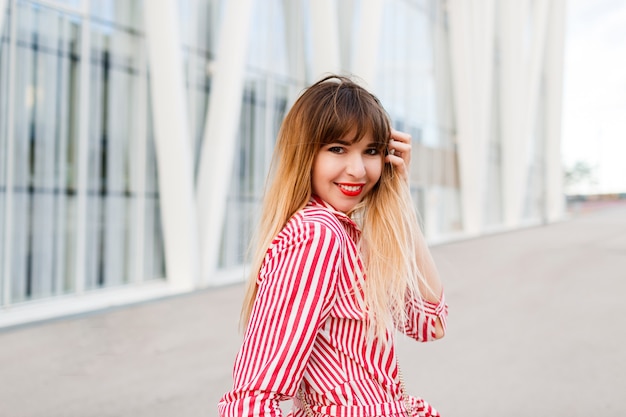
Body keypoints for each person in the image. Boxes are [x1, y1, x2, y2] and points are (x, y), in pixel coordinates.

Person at [218, 75, 448, 417]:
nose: (357, 170)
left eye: (371, 151)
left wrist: (399, 198)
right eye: (337, 148)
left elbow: (430, 323)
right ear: (305, 154)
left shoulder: (349, 236)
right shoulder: (318, 237)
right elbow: (252, 398)